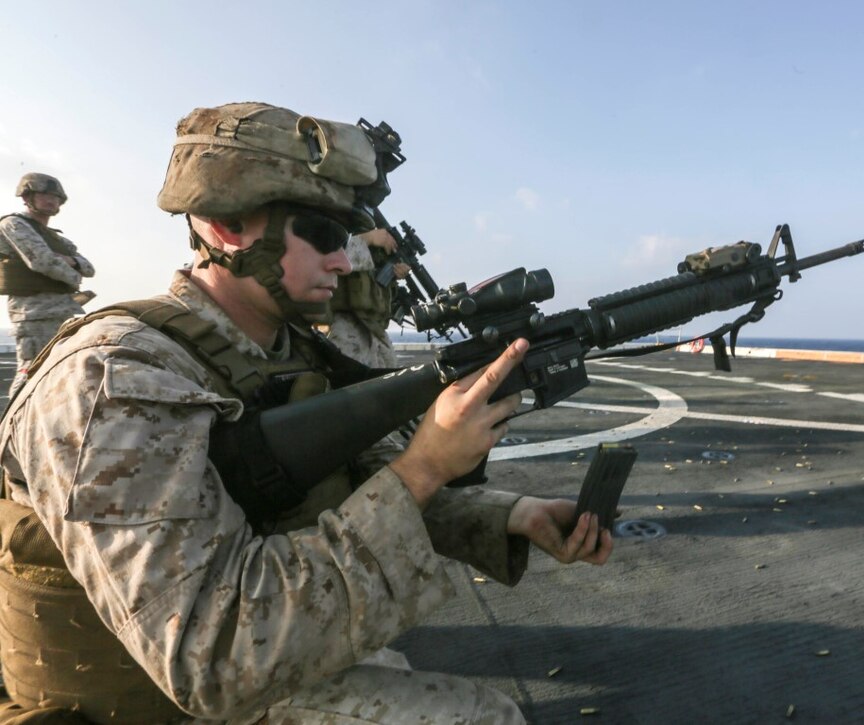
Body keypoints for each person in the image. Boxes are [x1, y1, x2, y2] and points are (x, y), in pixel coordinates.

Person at [0, 102, 611, 724]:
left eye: (347, 238)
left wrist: (513, 515)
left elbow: (362, 480)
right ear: (226, 224)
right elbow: (210, 657)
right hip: (150, 701)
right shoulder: (113, 380)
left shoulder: (284, 349)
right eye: (322, 235)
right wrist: (424, 469)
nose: (345, 261)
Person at [0, 173, 95, 395]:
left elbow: (89, 267)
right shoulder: (14, 224)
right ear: (27, 196)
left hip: (66, 311)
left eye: (56, 196)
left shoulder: (57, 238)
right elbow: (42, 261)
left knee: (65, 372)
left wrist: (71, 261)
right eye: (44, 194)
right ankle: (9, 426)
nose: (51, 200)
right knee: (31, 372)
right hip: (34, 313)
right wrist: (74, 275)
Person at [324, 228, 409, 368]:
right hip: (343, 327)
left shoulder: (373, 244)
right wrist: (368, 238)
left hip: (373, 328)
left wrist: (394, 275)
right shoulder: (337, 227)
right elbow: (329, 259)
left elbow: (373, 288)